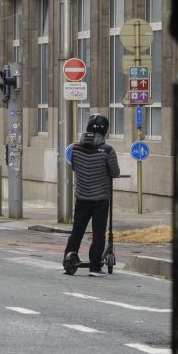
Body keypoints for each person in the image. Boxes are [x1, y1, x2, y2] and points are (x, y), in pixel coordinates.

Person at [63, 114, 121, 275]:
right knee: (98, 233)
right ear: (105, 130)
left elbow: (74, 167)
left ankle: (68, 260)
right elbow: (115, 172)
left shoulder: (75, 148)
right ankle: (95, 266)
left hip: (81, 197)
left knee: (77, 231)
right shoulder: (107, 150)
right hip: (100, 199)